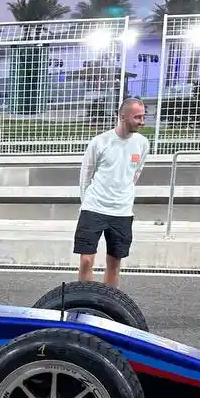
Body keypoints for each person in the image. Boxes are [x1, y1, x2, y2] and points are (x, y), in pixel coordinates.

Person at [73, 97, 149, 289]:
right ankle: (84, 303)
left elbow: (136, 172)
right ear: (123, 116)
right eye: (137, 117)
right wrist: (87, 202)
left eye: (143, 117)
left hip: (122, 212)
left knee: (114, 263)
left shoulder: (142, 143)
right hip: (94, 208)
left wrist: (123, 194)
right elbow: (86, 174)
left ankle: (107, 308)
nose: (142, 122)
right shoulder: (100, 142)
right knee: (86, 261)